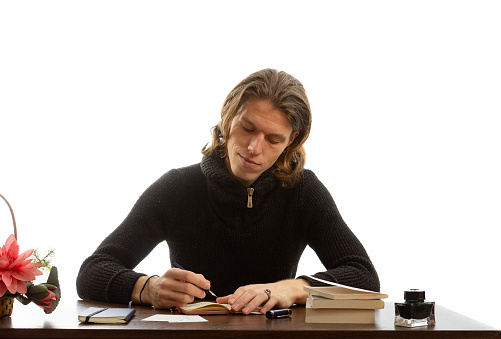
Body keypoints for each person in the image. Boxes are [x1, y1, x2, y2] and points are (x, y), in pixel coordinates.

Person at [76, 68, 380, 315]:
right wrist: (146, 287)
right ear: (228, 116)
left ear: (292, 140)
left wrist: (290, 288)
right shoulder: (177, 188)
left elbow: (365, 278)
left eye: (273, 139)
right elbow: (92, 272)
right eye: (247, 128)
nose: (253, 148)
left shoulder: (303, 191)